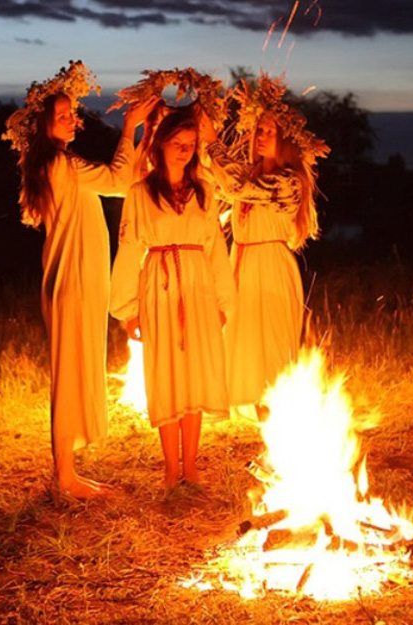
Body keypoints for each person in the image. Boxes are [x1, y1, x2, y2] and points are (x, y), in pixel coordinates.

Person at [5, 62, 157, 498]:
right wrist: (130, 128)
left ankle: (68, 471)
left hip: (74, 278)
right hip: (72, 279)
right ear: (44, 126)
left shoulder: (56, 163)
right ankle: (65, 477)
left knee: (75, 369)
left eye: (74, 113)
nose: (75, 120)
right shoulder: (60, 164)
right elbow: (116, 180)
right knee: (69, 373)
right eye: (64, 116)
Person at [110, 107, 235, 495]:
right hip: (159, 286)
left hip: (198, 284)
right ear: (161, 143)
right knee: (165, 373)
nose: (184, 151)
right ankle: (170, 467)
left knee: (195, 372)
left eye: (191, 145)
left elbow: (216, 247)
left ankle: (192, 465)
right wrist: (128, 311)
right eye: (178, 144)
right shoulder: (140, 193)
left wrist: (222, 301)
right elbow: (130, 249)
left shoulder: (205, 192)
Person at [197, 89, 326, 420]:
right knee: (243, 343)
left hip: (270, 267)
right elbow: (215, 174)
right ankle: (260, 416)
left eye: (271, 132)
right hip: (241, 263)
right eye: (260, 130)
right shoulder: (251, 173)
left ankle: (280, 423)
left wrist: (214, 141)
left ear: (285, 140)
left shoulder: (288, 182)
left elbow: (235, 187)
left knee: (270, 345)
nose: (262, 137)